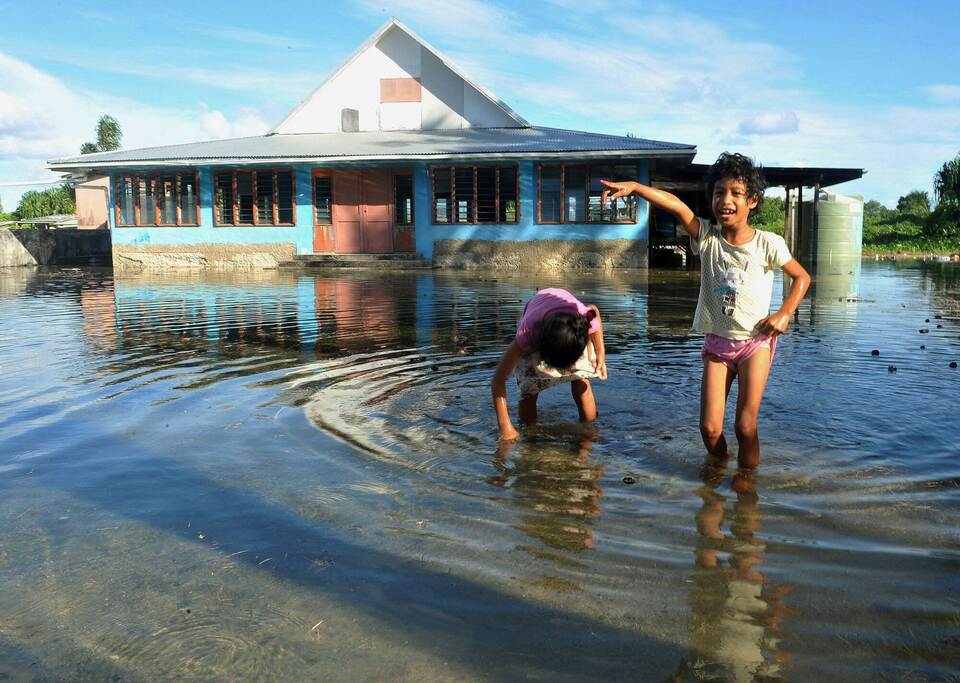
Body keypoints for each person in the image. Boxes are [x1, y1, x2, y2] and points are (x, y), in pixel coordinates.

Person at [601, 152, 810, 467]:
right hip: (718, 344)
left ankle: (746, 485)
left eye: (736, 193)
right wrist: (636, 187)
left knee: (744, 425)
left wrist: (784, 314)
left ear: (752, 201)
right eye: (719, 192)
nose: (726, 199)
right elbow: (676, 206)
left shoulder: (768, 243)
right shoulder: (707, 237)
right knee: (709, 429)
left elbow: (801, 278)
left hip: (756, 342)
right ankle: (719, 469)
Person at [492, 288, 607, 442]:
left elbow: (594, 311)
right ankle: (529, 434)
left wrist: (600, 355)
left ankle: (589, 429)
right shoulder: (527, 333)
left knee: (582, 380)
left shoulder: (581, 320)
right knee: (528, 391)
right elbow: (498, 379)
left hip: (568, 330)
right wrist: (506, 428)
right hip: (540, 331)